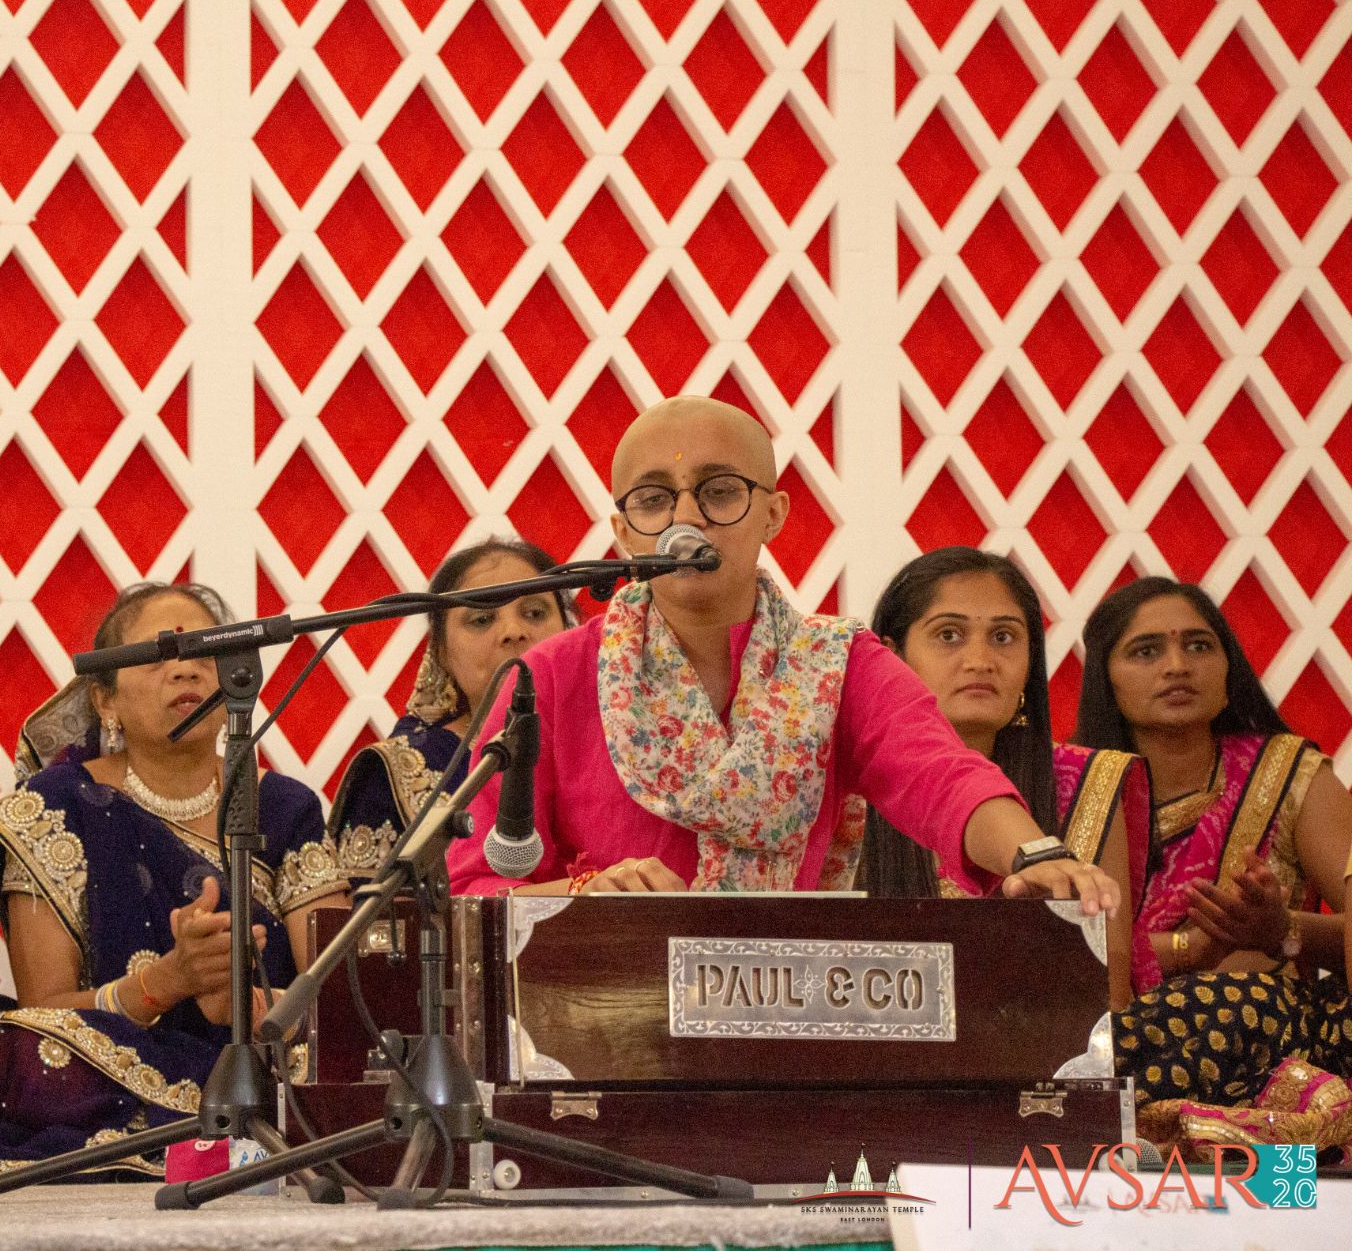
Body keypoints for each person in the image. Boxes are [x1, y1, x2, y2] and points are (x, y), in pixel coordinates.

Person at [446, 395, 1119, 915]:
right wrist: (585, 895)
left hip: (785, 1005)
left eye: (719, 491)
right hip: (596, 1018)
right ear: (623, 530)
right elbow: (475, 887)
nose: (689, 517)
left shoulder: (835, 663)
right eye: (655, 499)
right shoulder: (550, 677)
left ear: (774, 514)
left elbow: (939, 773)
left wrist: (1032, 853)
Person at [0, 582, 347, 1179]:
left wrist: (249, 1009)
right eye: (158, 654)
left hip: (263, 1066)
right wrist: (170, 980)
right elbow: (48, 1008)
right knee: (34, 1051)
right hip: (119, 1065)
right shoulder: (52, 806)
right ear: (104, 700)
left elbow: (339, 988)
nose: (184, 669)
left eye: (202, 652)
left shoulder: (285, 807)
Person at [1077, 577, 1352, 1153]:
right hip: (1128, 1041)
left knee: (1232, 1003)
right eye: (1146, 650)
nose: (1178, 665)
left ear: (1229, 672)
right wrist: (1185, 952)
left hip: (1265, 1038)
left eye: (1199, 646)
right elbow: (1043, 954)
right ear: (1107, 679)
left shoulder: (1289, 774)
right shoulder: (1072, 790)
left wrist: (1283, 934)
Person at [854, 549, 1152, 1008]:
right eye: (949, 635)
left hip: (1037, 1057)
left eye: (1004, 637)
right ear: (892, 658)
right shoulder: (847, 786)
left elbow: (1105, 993)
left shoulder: (1088, 780)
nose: (981, 659)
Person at [329, 538, 576, 878]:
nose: (513, 631)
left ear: (569, 630)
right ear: (441, 653)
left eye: (534, 613)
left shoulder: (618, 745)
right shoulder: (397, 771)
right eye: (481, 619)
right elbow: (376, 927)